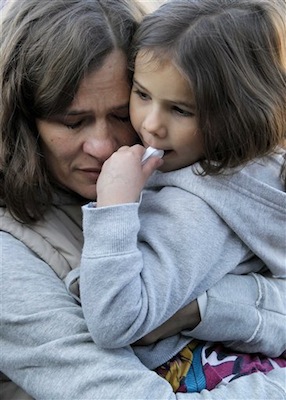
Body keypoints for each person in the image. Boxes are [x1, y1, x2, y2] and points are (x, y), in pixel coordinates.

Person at [0, 0, 285, 399]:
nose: (102, 147)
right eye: (72, 121)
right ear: (23, 121)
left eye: (120, 114)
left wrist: (202, 308)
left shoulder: (200, 183)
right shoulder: (9, 251)